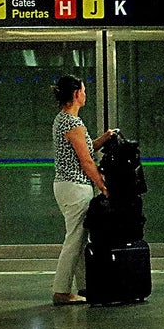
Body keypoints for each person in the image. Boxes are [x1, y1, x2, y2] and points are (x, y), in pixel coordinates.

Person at [51, 75, 115, 306]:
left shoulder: (63, 120)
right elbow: (86, 161)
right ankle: (61, 291)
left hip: (65, 185)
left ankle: (85, 287)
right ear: (77, 93)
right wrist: (103, 186)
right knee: (74, 240)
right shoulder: (73, 123)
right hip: (75, 186)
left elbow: (85, 148)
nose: (85, 94)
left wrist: (104, 138)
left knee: (78, 238)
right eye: (84, 91)